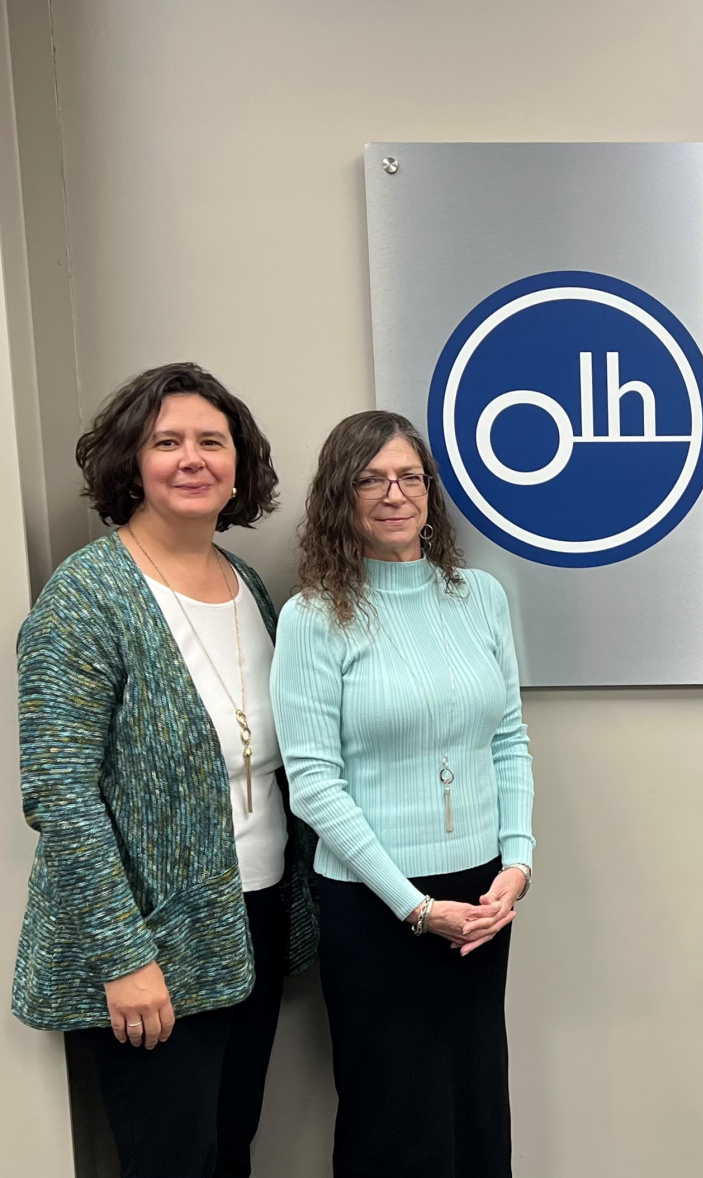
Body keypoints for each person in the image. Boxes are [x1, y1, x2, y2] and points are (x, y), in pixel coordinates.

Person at [12, 362, 318, 1178]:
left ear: (238, 466)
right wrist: (125, 956)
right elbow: (59, 792)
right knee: (170, 1162)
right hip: (151, 941)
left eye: (212, 442)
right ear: (130, 463)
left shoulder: (248, 587)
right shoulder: (88, 596)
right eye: (167, 442)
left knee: (229, 1149)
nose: (193, 459)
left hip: (249, 921)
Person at [270, 410, 533, 1178]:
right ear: (339, 496)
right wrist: (414, 908)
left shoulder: (479, 595)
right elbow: (313, 784)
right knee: (395, 1117)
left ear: (429, 490)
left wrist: (516, 864)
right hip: (375, 904)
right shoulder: (313, 616)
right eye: (371, 479)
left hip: (482, 900)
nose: (394, 494)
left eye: (408, 477)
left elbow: (509, 740)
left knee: (477, 1102)